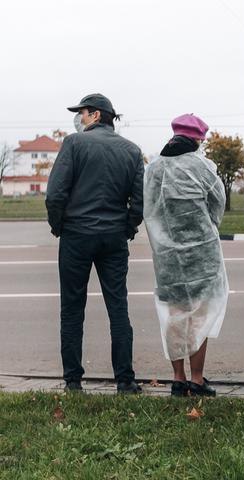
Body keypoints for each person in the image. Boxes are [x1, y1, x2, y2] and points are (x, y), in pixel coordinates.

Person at [46, 94, 144, 394]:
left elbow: (55, 194)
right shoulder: (132, 150)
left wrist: (58, 225)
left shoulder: (74, 144)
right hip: (113, 237)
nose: (80, 118)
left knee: (72, 307)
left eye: (83, 113)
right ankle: (125, 380)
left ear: (97, 115)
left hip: (76, 235)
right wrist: (127, 228)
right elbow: (139, 202)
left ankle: (73, 381)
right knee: (118, 307)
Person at [144, 114, 228, 397]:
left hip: (167, 253)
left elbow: (149, 208)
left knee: (175, 315)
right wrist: (205, 226)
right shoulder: (203, 166)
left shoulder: (154, 167)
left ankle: (178, 379)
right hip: (201, 252)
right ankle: (197, 378)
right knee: (199, 316)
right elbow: (217, 204)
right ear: (198, 140)